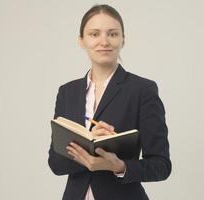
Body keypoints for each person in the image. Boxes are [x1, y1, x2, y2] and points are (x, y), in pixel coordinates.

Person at [48, 4, 171, 200]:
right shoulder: (67, 92)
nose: (104, 41)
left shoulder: (142, 90)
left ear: (123, 40)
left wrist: (119, 166)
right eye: (94, 34)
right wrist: (87, 147)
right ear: (81, 40)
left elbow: (161, 165)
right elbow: (55, 163)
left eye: (113, 34)